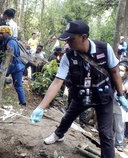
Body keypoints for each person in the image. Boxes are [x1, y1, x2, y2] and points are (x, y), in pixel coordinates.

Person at [30, 20, 128, 158]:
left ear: (84, 37)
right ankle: (58, 135)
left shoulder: (104, 49)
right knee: (68, 118)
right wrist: (41, 107)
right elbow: (58, 81)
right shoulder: (68, 56)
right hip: (82, 95)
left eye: (71, 39)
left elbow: (114, 72)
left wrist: (121, 94)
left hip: (103, 97)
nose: (68, 43)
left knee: (106, 134)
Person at [0, 26, 26, 106]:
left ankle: (4, 81)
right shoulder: (10, 40)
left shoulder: (11, 42)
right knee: (18, 85)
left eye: (2, 33)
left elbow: (10, 56)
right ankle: (23, 102)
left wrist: (5, 67)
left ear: (7, 33)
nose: (0, 35)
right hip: (18, 65)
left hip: (14, 64)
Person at [113, 60, 128, 152]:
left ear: (126, 72)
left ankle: (119, 144)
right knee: (109, 125)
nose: (120, 72)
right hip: (111, 104)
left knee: (119, 127)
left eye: (122, 70)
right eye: (119, 70)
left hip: (121, 107)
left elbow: (123, 89)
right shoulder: (114, 77)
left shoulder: (126, 81)